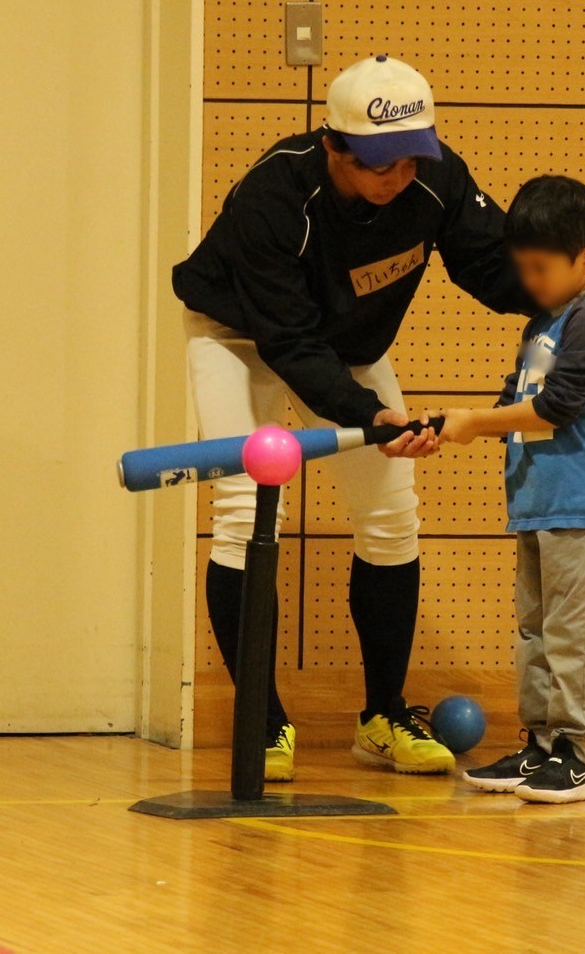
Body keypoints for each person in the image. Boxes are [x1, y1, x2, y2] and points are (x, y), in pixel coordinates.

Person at [172, 55, 533, 781]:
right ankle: (262, 721)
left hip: (347, 344)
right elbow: (290, 342)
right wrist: (371, 415)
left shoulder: (436, 180)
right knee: (244, 509)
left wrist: (560, 300)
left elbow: (489, 267)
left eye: (410, 157)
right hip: (237, 336)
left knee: (393, 515)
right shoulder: (274, 195)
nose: (397, 174)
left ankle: (382, 715)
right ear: (334, 147)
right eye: (377, 162)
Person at [436, 176, 585, 804]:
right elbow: (512, 404)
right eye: (522, 268)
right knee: (536, 632)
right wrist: (440, 427)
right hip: (536, 506)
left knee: (571, 633)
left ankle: (576, 755)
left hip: (582, 506)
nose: (531, 281)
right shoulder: (542, 322)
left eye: (542, 268)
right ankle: (540, 745)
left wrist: (475, 423)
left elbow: (555, 408)